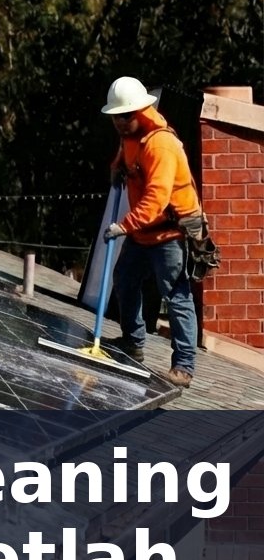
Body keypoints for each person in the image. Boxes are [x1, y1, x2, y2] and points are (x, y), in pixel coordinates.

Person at [100, 76, 201, 388]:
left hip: (168, 233)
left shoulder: (161, 145)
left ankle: (183, 366)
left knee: (176, 295)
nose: (117, 122)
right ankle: (133, 342)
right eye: (115, 116)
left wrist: (123, 226)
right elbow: (125, 156)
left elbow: (156, 200)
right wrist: (116, 167)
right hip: (144, 232)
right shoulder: (130, 134)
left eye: (123, 116)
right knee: (126, 279)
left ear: (138, 112)